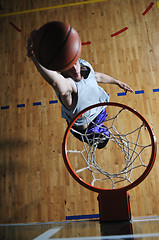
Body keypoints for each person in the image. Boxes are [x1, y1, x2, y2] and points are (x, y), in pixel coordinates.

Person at [27, 30, 134, 149]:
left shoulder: (83, 66)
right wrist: (34, 57)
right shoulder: (69, 88)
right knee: (102, 142)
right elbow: (56, 82)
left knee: (105, 139)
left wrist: (117, 82)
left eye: (75, 63)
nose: (75, 68)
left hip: (97, 114)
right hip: (86, 130)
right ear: (63, 69)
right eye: (69, 67)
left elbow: (97, 76)